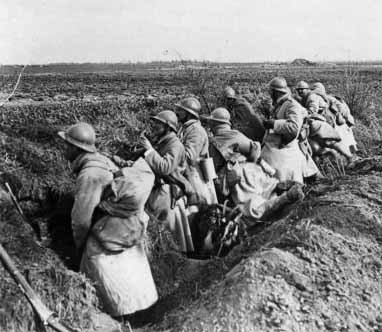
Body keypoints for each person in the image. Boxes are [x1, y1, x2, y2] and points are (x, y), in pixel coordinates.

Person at [58, 122, 158, 317]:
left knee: (96, 265)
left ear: (77, 148)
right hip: (127, 228)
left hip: (107, 234)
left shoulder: (89, 175)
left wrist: (79, 245)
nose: (64, 149)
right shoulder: (102, 160)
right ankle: (145, 311)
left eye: (67, 145)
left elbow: (81, 219)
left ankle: (113, 318)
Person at [203, 107, 304, 221]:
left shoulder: (213, 143)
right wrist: (251, 161)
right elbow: (255, 149)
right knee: (265, 190)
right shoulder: (235, 134)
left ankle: (288, 197)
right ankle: (279, 189)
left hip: (236, 175)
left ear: (214, 123)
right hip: (250, 168)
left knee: (251, 208)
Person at [138, 110, 194, 253]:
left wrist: (149, 149)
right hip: (157, 191)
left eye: (159, 123)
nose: (155, 126)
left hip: (167, 195)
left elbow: (165, 167)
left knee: (170, 237)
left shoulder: (175, 145)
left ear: (168, 128)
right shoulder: (161, 141)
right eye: (155, 122)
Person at [261, 77, 319, 184]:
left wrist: (274, 124)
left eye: (271, 91)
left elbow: (293, 128)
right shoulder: (281, 104)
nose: (269, 94)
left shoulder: (291, 105)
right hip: (280, 143)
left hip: (286, 147)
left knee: (267, 163)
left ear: (276, 92)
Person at [176, 97, 217, 205]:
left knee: (198, 210)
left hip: (196, 176)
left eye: (181, 110)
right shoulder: (186, 128)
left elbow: (189, 156)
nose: (177, 113)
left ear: (189, 114)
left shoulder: (195, 130)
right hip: (189, 173)